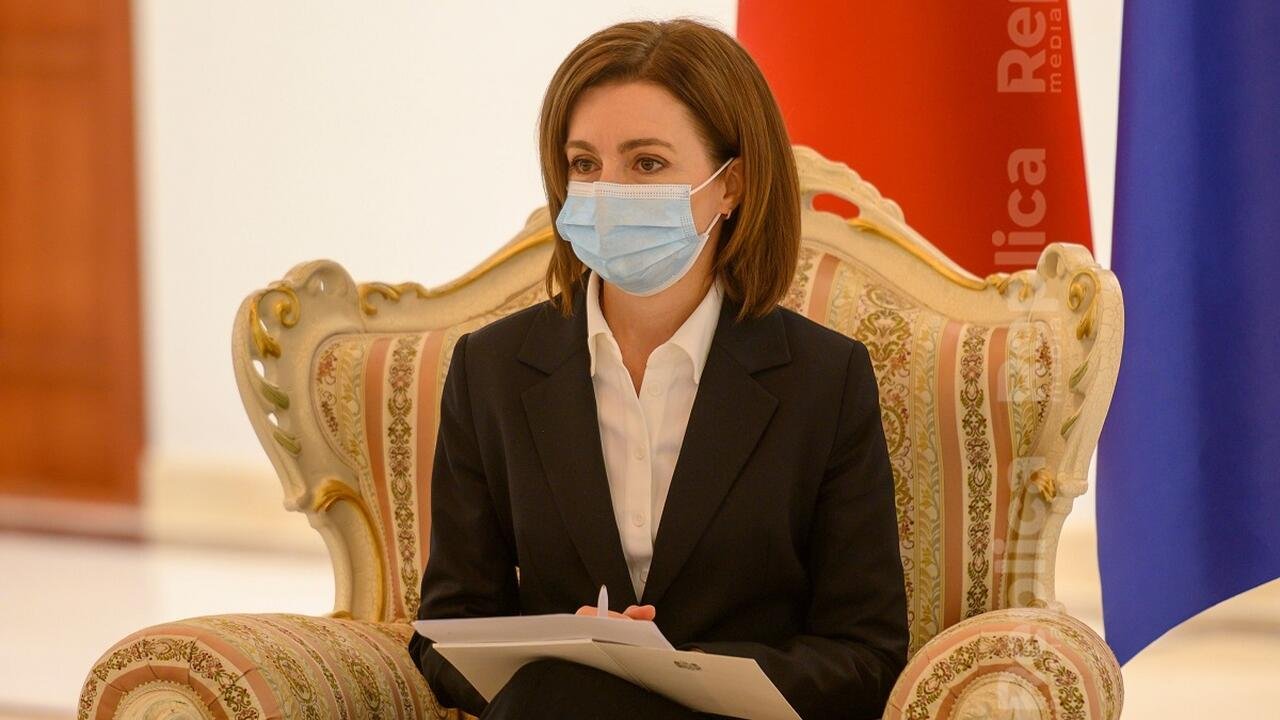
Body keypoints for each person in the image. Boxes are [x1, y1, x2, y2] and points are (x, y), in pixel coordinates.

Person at [407, 17, 908, 720]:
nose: (608, 191)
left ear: (731, 185)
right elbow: (444, 635)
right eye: (585, 165)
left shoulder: (826, 380)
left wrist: (674, 672)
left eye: (646, 164)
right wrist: (572, 652)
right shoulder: (488, 371)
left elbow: (866, 654)